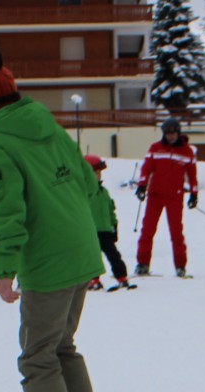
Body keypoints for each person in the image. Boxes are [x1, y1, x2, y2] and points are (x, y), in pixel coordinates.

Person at [0, 47, 109, 392]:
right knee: (62, 344)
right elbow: (87, 183)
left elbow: (8, 210)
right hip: (81, 250)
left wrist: (3, 270)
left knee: (36, 353)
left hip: (48, 260)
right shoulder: (48, 125)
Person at [134, 117, 197, 277]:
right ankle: (142, 263)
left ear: (178, 133)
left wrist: (194, 194)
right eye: (168, 133)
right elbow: (146, 168)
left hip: (175, 197)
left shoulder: (187, 151)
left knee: (176, 233)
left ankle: (180, 266)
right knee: (147, 230)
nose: (170, 136)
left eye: (173, 133)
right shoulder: (156, 148)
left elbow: (192, 175)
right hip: (155, 195)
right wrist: (142, 185)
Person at [84, 154, 133, 290]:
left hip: (105, 230)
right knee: (93, 258)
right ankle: (93, 280)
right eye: (95, 173)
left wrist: (114, 225)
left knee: (114, 255)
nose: (98, 175)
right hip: (90, 231)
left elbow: (110, 210)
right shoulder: (83, 192)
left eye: (99, 173)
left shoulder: (103, 192)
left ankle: (122, 277)